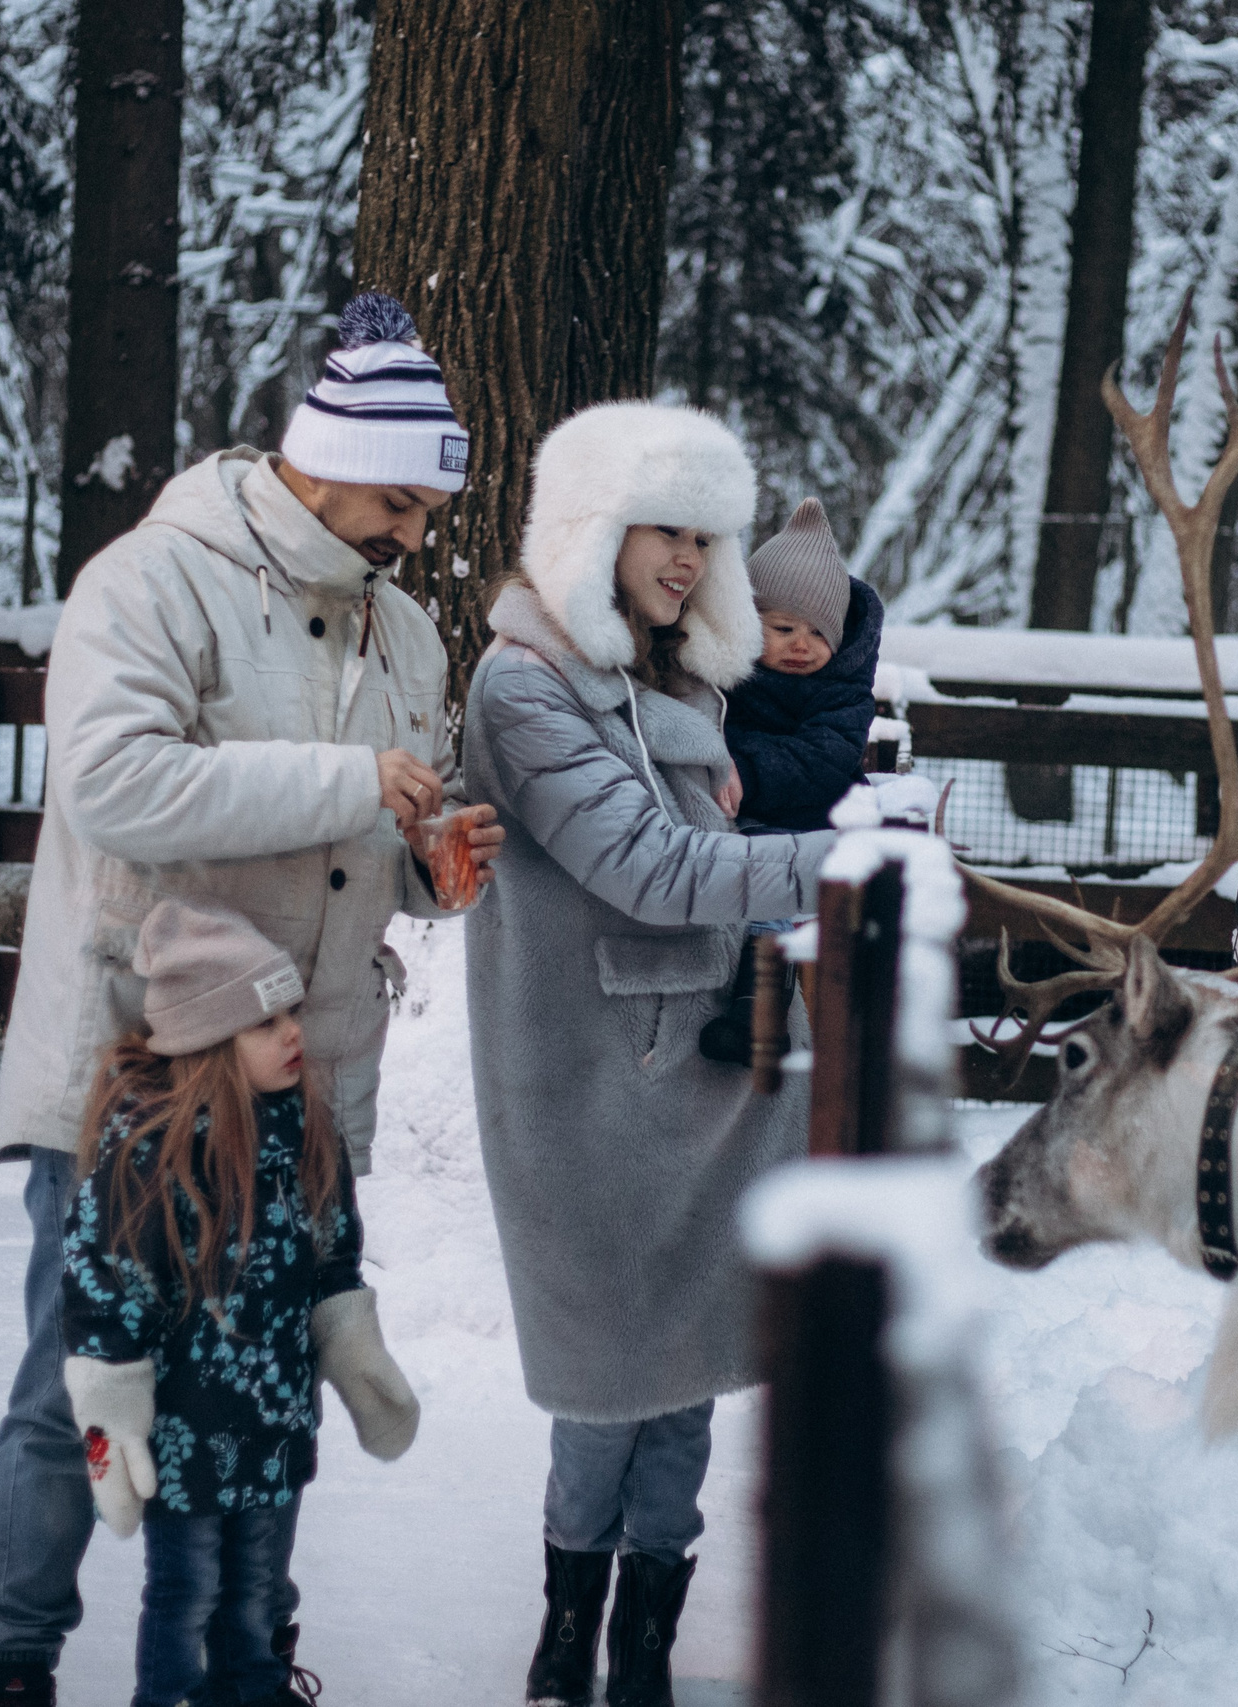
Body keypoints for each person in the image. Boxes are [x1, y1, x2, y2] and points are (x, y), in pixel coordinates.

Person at [0, 290, 502, 1707]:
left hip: (296, 1086)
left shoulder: (408, 642)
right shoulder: (150, 581)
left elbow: (360, 857)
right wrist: (350, 783)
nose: (415, 535)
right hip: (131, 1065)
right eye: (397, 499)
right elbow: (114, 784)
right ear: (320, 462)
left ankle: (237, 1656)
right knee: (76, 1374)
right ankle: (15, 1653)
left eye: (428, 509)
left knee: (259, 1389)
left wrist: (431, 871)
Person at [463, 401, 836, 1707]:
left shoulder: (676, 680)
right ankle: (570, 1629)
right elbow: (649, 865)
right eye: (661, 529)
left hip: (699, 1065)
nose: (684, 558)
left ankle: (645, 1646)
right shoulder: (525, 685)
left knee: (687, 1363)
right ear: (593, 530)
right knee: (610, 1370)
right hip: (585, 1071)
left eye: (702, 535)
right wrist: (839, 863)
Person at [62, 899, 420, 1707]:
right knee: (185, 1602)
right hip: (185, 1445)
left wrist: (352, 1343)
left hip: (272, 1433)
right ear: (210, 1042)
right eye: (267, 1023)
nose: (293, 1032)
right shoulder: (147, 1152)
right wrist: (110, 1414)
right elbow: (106, 1285)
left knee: (255, 1607)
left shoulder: (306, 1130)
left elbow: (332, 1251)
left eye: (291, 1012)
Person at [696, 496, 882, 1063]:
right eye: (782, 627)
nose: (801, 645)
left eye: (819, 633)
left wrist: (746, 770)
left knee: (768, 896)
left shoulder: (843, 693)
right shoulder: (732, 675)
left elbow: (822, 759)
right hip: (742, 813)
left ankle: (760, 1008)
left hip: (809, 820)